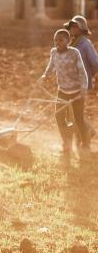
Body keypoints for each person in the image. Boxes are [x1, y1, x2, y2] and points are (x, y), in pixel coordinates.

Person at [39, 29, 89, 161]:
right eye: (55, 40)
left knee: (78, 119)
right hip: (62, 91)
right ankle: (66, 142)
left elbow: (82, 71)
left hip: (76, 91)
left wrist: (83, 89)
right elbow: (51, 66)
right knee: (59, 116)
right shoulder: (53, 52)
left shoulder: (74, 53)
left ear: (67, 41)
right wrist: (44, 76)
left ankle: (86, 143)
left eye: (60, 40)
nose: (57, 43)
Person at [64, 15, 98, 144]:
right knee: (70, 111)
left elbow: (95, 63)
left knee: (76, 112)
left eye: (74, 26)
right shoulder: (72, 42)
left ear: (81, 28)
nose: (71, 29)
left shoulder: (85, 44)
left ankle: (86, 138)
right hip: (70, 83)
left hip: (80, 84)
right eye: (71, 26)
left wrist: (88, 76)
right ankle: (84, 134)